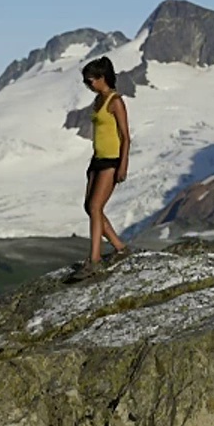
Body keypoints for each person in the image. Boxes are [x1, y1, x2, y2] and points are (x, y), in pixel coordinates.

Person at [71, 56, 131, 279]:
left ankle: (94, 260)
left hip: (111, 161)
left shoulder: (115, 101)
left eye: (90, 81)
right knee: (90, 207)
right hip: (97, 160)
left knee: (96, 207)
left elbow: (125, 136)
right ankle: (120, 247)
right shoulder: (98, 101)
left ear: (102, 78)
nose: (88, 85)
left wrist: (123, 166)